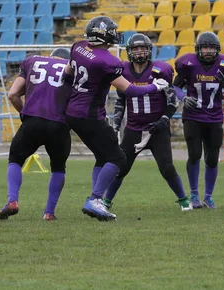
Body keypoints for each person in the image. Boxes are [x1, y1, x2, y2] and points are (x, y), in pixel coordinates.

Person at [63, 16, 169, 221]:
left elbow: (67, 74)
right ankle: (94, 199)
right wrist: (155, 87)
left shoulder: (78, 46)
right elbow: (129, 90)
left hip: (72, 112)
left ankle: (97, 200)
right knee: (118, 157)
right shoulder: (108, 60)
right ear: (104, 34)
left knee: (102, 157)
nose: (115, 33)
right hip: (90, 114)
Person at [106, 33, 192, 211]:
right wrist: (115, 125)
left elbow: (172, 100)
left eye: (142, 48)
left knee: (167, 168)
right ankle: (105, 201)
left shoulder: (160, 70)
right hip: (133, 129)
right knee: (120, 168)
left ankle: (184, 200)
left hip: (157, 129)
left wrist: (164, 119)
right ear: (129, 51)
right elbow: (121, 101)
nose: (139, 52)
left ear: (149, 51)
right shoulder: (124, 70)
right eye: (135, 48)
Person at [0, 48, 73, 221]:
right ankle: (49, 212)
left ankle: (12, 200)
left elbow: (13, 94)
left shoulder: (32, 61)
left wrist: (25, 115)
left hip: (33, 120)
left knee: (15, 160)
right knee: (59, 168)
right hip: (59, 124)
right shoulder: (73, 68)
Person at [173, 32, 224, 209]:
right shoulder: (188, 64)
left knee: (211, 159)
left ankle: (208, 196)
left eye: (211, 48)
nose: (208, 51)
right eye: (205, 47)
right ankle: (194, 194)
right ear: (198, 49)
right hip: (193, 116)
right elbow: (175, 87)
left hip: (214, 117)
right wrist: (183, 97)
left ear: (217, 49)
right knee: (194, 154)